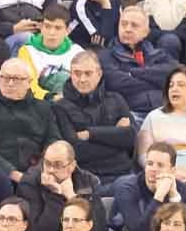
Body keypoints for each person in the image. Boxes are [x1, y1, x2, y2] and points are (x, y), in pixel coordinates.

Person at [0, 57, 60, 182]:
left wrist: (37, 172)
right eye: (5, 78)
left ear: (29, 82)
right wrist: (15, 175)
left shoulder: (43, 108)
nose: (10, 83)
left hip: (39, 175)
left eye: (16, 79)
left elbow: (53, 143)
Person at [52, 51, 136, 185]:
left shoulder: (116, 99)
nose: (82, 79)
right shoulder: (60, 107)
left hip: (122, 174)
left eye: (88, 73)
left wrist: (90, 134)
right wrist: (116, 137)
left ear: (99, 74)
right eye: (77, 73)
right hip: (85, 178)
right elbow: (75, 151)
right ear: (71, 74)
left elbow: (131, 139)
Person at [17, 141, 105, 231]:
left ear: (72, 166)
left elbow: (98, 227)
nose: (50, 170)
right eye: (47, 163)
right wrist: (55, 195)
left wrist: (72, 198)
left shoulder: (88, 181)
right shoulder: (29, 183)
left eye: (57, 165)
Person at [114, 142, 186, 231]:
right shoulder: (126, 188)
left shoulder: (183, 190)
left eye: (160, 165)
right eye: (150, 163)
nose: (153, 169)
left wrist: (174, 197)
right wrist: (159, 196)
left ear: (172, 171)